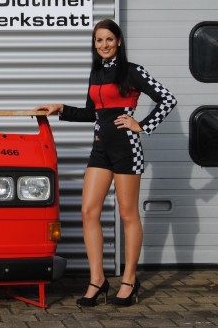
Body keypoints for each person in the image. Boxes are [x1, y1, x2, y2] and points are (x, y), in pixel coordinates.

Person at [35, 19, 176, 308]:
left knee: (128, 214)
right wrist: (60, 108)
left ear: (119, 41)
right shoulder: (96, 72)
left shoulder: (132, 71)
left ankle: (129, 281)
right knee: (89, 211)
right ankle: (97, 280)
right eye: (99, 40)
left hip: (127, 150)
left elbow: (167, 99)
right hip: (100, 150)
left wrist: (142, 125)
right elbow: (93, 114)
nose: (104, 45)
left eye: (109, 39)